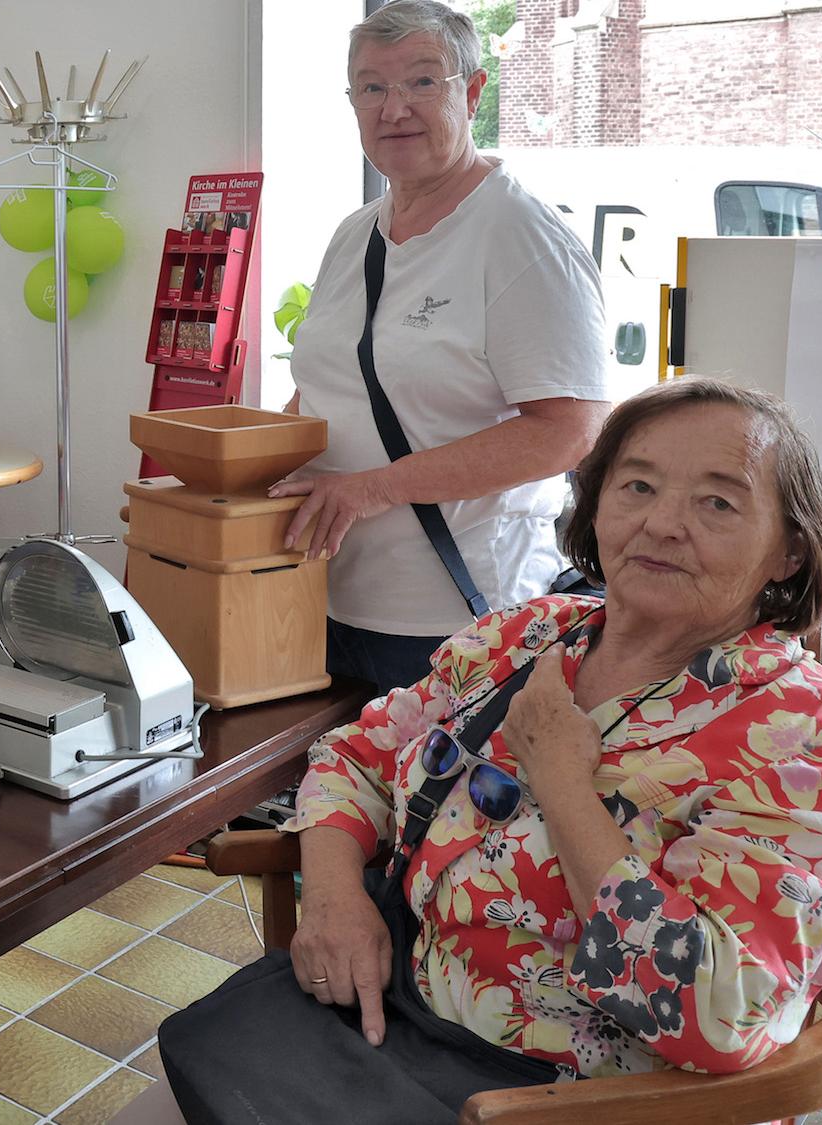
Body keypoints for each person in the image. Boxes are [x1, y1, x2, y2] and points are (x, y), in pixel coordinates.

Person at [155, 378, 822, 1120]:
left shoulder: (815, 751)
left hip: (586, 1098)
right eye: (637, 486)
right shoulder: (527, 637)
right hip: (387, 1022)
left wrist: (560, 778)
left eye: (717, 501)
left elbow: (716, 1010)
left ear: (789, 551)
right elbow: (357, 755)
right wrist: (331, 896)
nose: (662, 523)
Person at [273, 0, 612, 696]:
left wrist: (373, 488)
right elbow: (322, 390)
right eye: (371, 87)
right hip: (329, 606)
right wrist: (235, 483)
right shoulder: (353, 235)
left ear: (474, 92)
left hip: (467, 624)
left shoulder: (519, 235)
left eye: (423, 81)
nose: (394, 107)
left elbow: (570, 432)